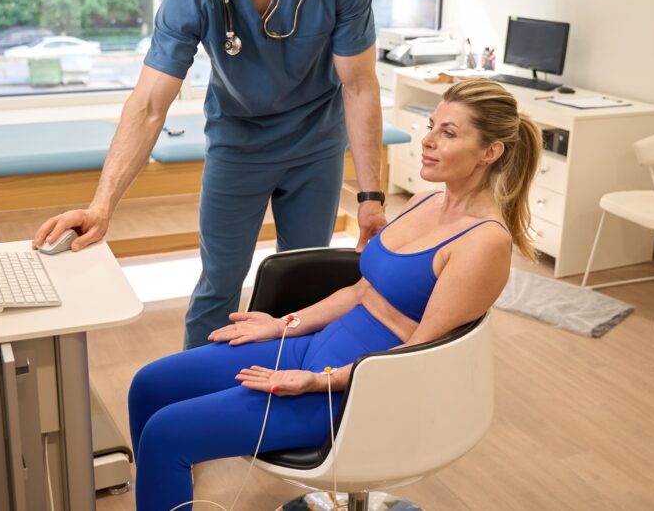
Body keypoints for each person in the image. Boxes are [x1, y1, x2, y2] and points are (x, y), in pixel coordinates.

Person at [127, 78, 542, 511]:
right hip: (316, 348)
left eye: (448, 133)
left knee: (166, 435)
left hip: (357, 392)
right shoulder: (424, 201)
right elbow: (360, 291)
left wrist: (320, 381)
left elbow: (419, 353)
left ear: (490, 152)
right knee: (149, 386)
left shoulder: (484, 242)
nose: (429, 140)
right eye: (432, 125)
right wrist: (281, 324)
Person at [33, 0, 386, 350]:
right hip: (238, 143)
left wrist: (371, 198)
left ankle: (286, 391)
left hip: (316, 143)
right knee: (217, 286)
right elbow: (150, 103)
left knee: (303, 279)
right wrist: (102, 204)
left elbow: (358, 84)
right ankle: (196, 390)